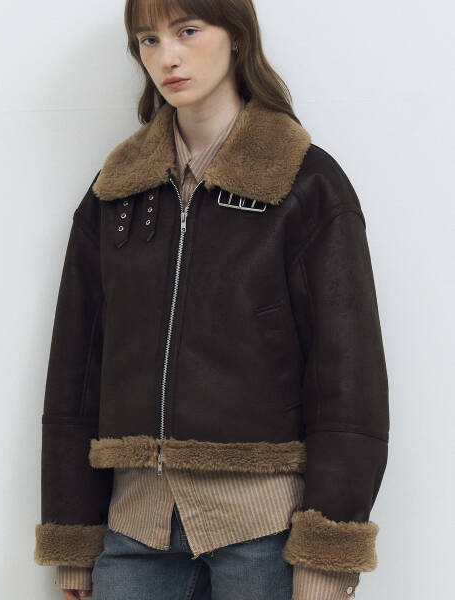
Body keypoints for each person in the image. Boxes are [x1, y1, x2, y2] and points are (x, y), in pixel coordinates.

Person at [34, 1, 390, 599]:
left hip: (263, 534)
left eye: (188, 31)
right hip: (135, 530)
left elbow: (348, 379)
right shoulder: (116, 193)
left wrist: (327, 556)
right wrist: (73, 541)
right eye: (148, 39)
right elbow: (76, 371)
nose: (166, 56)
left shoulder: (304, 183)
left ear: (236, 36)